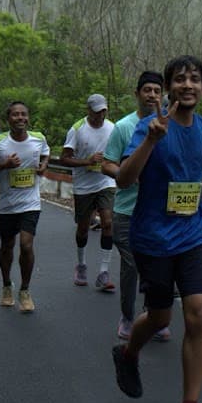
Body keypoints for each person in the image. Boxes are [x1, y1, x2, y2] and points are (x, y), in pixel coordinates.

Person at [110, 55, 202, 403]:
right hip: (152, 236)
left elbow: (196, 168)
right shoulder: (150, 127)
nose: (188, 85)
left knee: (198, 314)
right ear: (168, 88)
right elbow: (126, 180)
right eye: (180, 79)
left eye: (195, 79)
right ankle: (129, 353)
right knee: (161, 315)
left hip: (193, 235)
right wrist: (151, 139)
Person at [102, 71, 171, 341]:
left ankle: (153, 317)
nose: (152, 95)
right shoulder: (123, 127)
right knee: (133, 266)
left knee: (158, 267)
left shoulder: (170, 125)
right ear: (137, 94)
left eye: (157, 90)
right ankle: (128, 316)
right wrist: (128, 173)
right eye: (147, 90)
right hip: (128, 211)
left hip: (160, 212)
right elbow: (107, 163)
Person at [0, 101, 50, 313]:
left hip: (31, 203)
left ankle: (25, 290)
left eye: (24, 114)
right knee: (7, 246)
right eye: (16, 115)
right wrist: (4, 165)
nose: (20, 118)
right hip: (7, 205)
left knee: (26, 245)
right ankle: (6, 285)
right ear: (8, 119)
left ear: (28, 117)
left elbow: (45, 153)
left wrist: (44, 166)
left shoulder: (38, 138)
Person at [60, 94, 118, 291]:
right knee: (83, 229)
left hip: (105, 181)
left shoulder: (112, 128)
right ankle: (81, 264)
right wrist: (88, 161)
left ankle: (103, 272)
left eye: (104, 110)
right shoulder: (77, 129)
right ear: (89, 111)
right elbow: (64, 158)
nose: (101, 115)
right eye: (96, 111)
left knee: (108, 222)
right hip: (84, 185)